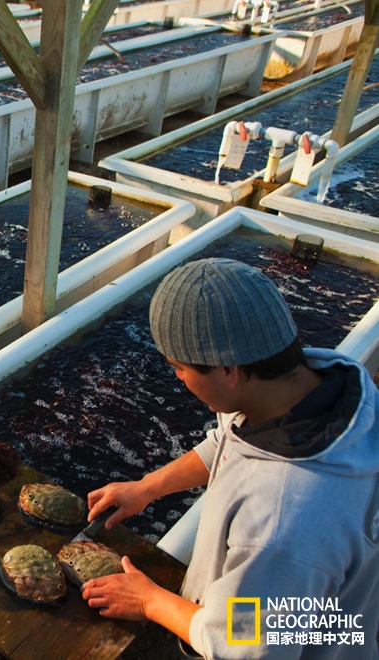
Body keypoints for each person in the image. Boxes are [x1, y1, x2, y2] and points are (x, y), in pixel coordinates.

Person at [80, 258, 379, 659]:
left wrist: (152, 601)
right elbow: (229, 440)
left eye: (180, 368)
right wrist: (148, 487)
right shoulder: (317, 393)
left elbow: (246, 643)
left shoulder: (281, 522)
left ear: (229, 370)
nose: (178, 378)